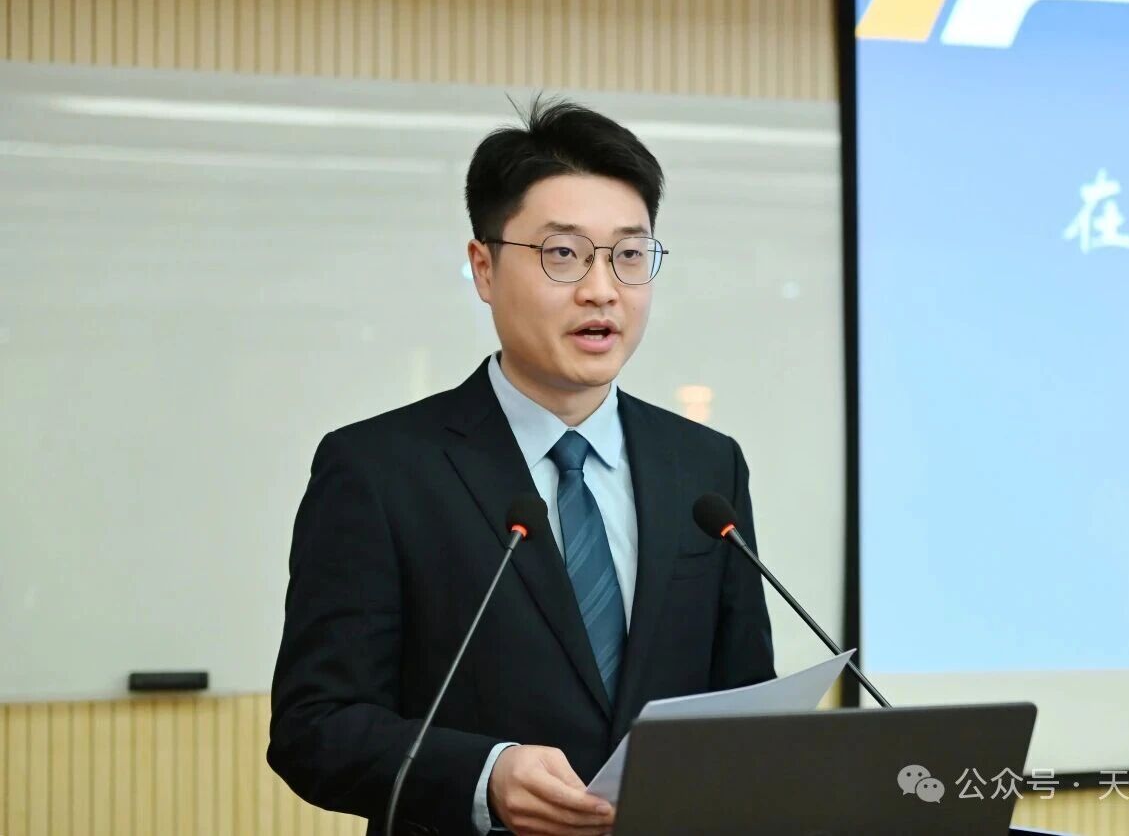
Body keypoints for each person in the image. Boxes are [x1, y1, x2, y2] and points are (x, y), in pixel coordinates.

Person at [267, 97, 775, 836]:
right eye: (563, 254)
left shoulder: (705, 466)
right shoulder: (378, 470)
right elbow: (316, 726)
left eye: (630, 254)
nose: (602, 289)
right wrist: (485, 774)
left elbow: (745, 702)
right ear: (484, 267)